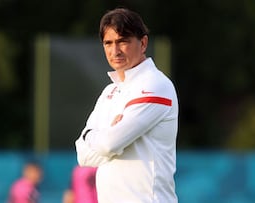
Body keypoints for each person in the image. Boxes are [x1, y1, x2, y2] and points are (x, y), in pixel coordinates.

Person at [75, 7, 179, 203]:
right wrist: (108, 138)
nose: (115, 51)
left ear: (143, 43)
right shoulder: (109, 92)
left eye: (123, 41)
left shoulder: (155, 85)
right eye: (108, 43)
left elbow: (109, 144)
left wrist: (94, 136)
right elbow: (83, 156)